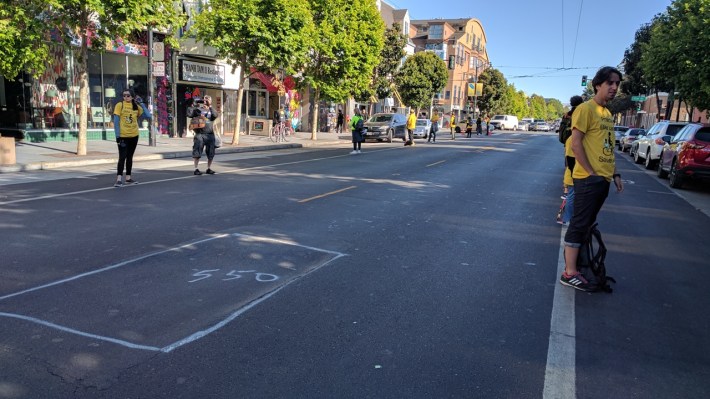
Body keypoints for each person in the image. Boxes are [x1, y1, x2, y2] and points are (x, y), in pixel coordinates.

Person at [560, 66, 624, 291]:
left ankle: (581, 266)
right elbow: (575, 143)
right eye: (610, 83)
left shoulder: (606, 114)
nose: (614, 87)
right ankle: (569, 273)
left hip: (603, 179)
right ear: (598, 85)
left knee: (586, 224)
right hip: (588, 179)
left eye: (617, 84)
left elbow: (607, 146)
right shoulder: (586, 109)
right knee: (579, 224)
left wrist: (614, 173)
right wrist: (590, 171)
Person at [113, 89, 150, 187]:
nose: (125, 97)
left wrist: (141, 103)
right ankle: (119, 179)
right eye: (124, 95)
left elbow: (148, 115)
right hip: (123, 136)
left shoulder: (136, 107)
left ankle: (128, 178)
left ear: (133, 96)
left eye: (128, 95)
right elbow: (116, 122)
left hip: (134, 135)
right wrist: (117, 136)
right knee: (122, 157)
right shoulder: (119, 105)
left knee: (130, 157)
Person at [558, 95, 585, 225]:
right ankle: (568, 218)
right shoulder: (581, 113)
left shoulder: (567, 115)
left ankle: (566, 187)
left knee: (568, 166)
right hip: (576, 142)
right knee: (574, 173)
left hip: (567, 143)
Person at [189, 95, 218, 175]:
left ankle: (208, 168)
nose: (205, 101)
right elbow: (189, 114)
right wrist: (194, 105)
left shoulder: (211, 110)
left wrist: (210, 106)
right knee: (197, 151)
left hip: (209, 134)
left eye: (207, 100)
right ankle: (196, 169)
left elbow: (215, 115)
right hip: (199, 134)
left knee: (211, 152)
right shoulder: (197, 110)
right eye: (204, 99)